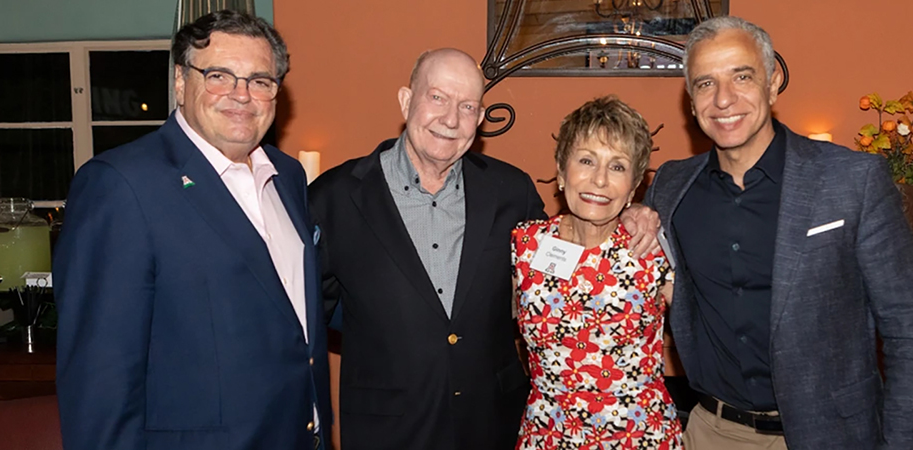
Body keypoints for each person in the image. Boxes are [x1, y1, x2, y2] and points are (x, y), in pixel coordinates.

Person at [308, 49, 659, 450]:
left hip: (492, 423)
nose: (450, 118)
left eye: (467, 106)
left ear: (479, 118)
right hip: (387, 430)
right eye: (437, 97)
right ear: (406, 101)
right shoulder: (334, 198)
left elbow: (572, 245)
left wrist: (639, 211)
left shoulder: (511, 192)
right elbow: (310, 319)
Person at [644, 16, 913, 449]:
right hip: (711, 432)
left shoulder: (853, 181)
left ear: (773, 81)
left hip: (830, 436)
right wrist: (635, 213)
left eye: (741, 76)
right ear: (691, 101)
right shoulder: (671, 187)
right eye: (705, 84)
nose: (724, 99)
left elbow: (910, 330)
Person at [54, 11, 330, 450]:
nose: (242, 95)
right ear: (181, 82)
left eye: (260, 80)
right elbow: (98, 378)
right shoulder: (120, 184)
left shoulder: (288, 175)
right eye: (220, 75)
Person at [513, 96, 683, 450]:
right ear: (561, 172)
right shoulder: (526, 245)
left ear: (634, 185)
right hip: (548, 435)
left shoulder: (654, 251)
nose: (600, 179)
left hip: (638, 438)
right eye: (586, 160)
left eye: (617, 167)